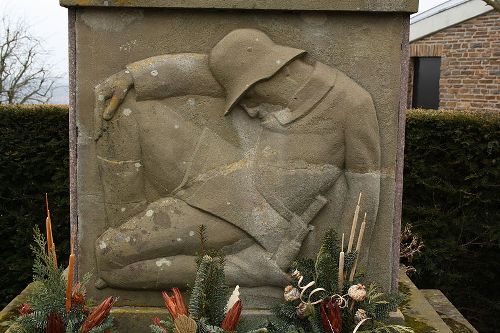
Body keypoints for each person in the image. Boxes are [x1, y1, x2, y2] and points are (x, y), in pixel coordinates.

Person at [93, 29, 380, 290]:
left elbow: (364, 191)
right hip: (223, 168)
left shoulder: (353, 103)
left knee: (110, 257)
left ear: (271, 74)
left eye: (247, 96)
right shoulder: (269, 76)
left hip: (253, 215)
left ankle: (250, 269)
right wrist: (131, 76)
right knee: (124, 104)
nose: (249, 110)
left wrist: (346, 274)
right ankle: (129, 224)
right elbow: (195, 71)